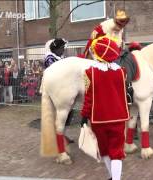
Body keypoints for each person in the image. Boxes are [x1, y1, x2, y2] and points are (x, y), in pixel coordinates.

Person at [80, 36, 129, 180]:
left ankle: (112, 177)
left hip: (99, 119)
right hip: (119, 117)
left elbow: (89, 98)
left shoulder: (89, 73)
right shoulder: (122, 72)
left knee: (105, 151)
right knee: (116, 152)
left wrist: (84, 116)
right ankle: (115, 178)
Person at [43, 38, 74, 144]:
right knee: (58, 113)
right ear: (56, 49)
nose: (63, 50)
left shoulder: (59, 57)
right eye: (62, 48)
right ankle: (56, 138)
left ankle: (62, 134)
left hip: (62, 89)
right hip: (53, 90)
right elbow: (55, 71)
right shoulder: (49, 58)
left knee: (68, 112)